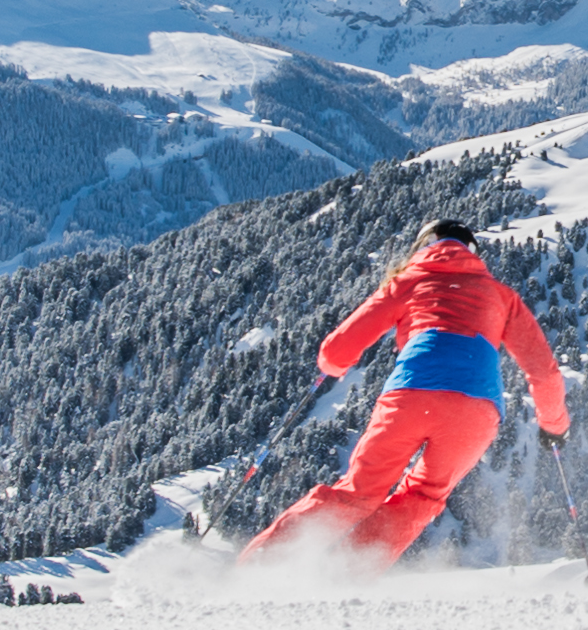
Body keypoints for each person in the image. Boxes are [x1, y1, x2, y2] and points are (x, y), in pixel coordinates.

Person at [242, 219, 568, 568]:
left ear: (421, 247)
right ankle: (348, 573)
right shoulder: (502, 297)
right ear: (473, 253)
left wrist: (334, 367)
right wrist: (553, 425)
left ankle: (263, 565)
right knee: (423, 497)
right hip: (476, 408)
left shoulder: (408, 282)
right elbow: (543, 371)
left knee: (359, 492)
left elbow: (336, 351)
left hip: (412, 394)